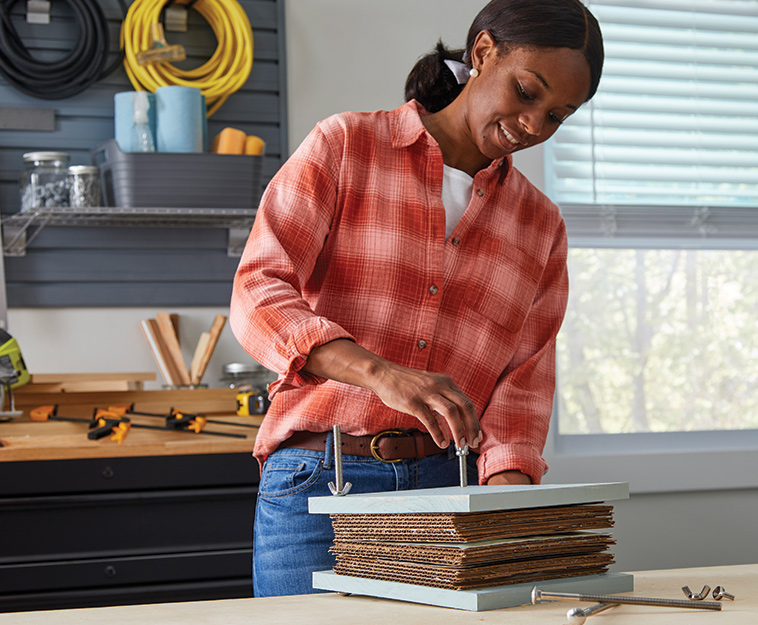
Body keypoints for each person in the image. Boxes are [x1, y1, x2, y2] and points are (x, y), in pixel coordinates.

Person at [229, 0, 604, 597]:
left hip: (450, 488)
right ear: (483, 52)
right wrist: (379, 374)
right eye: (527, 92)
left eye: (558, 114)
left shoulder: (541, 225)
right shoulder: (346, 146)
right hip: (319, 482)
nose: (535, 125)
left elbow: (522, 386)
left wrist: (508, 517)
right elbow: (257, 293)